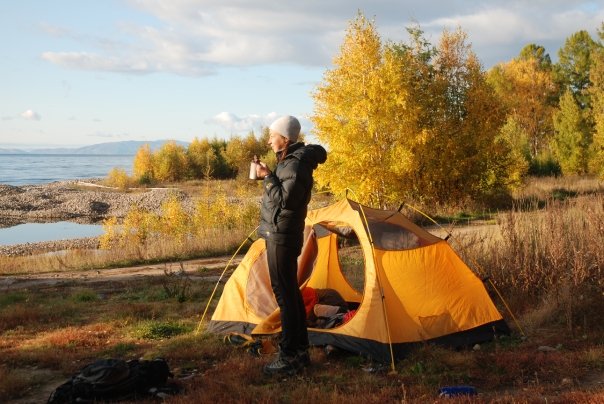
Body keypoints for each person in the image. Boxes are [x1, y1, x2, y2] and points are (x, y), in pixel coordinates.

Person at [255, 115, 327, 376]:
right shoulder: (289, 163)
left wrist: (267, 177)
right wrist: (271, 174)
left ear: (285, 139)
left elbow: (288, 202)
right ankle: (299, 351)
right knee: (290, 294)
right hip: (280, 232)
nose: (269, 139)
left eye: (272, 135)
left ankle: (289, 356)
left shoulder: (295, 166)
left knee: (285, 296)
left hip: (282, 235)